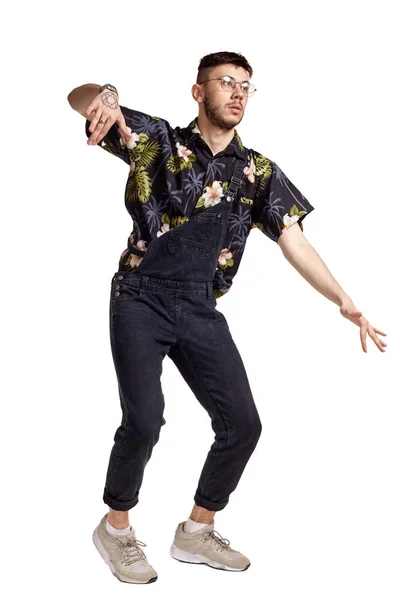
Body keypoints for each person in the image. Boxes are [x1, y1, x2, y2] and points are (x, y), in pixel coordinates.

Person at [67, 51, 387, 585]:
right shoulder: (157, 141)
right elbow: (81, 101)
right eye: (225, 82)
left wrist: (342, 299)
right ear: (199, 92)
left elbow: (294, 239)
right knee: (145, 421)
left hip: (199, 304)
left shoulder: (256, 171)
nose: (238, 92)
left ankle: (196, 531)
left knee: (242, 424)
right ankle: (116, 528)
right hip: (140, 296)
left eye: (246, 86)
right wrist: (103, 96)